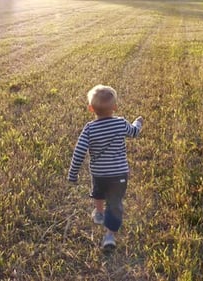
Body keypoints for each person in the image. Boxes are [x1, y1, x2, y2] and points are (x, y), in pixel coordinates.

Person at [67, 84, 144, 250]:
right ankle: (109, 235)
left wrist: (73, 173)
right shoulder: (121, 123)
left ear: (90, 108)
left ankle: (99, 212)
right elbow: (134, 133)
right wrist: (138, 123)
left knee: (99, 192)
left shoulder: (89, 128)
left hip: (99, 174)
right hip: (119, 174)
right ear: (115, 107)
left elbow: (79, 151)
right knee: (115, 204)